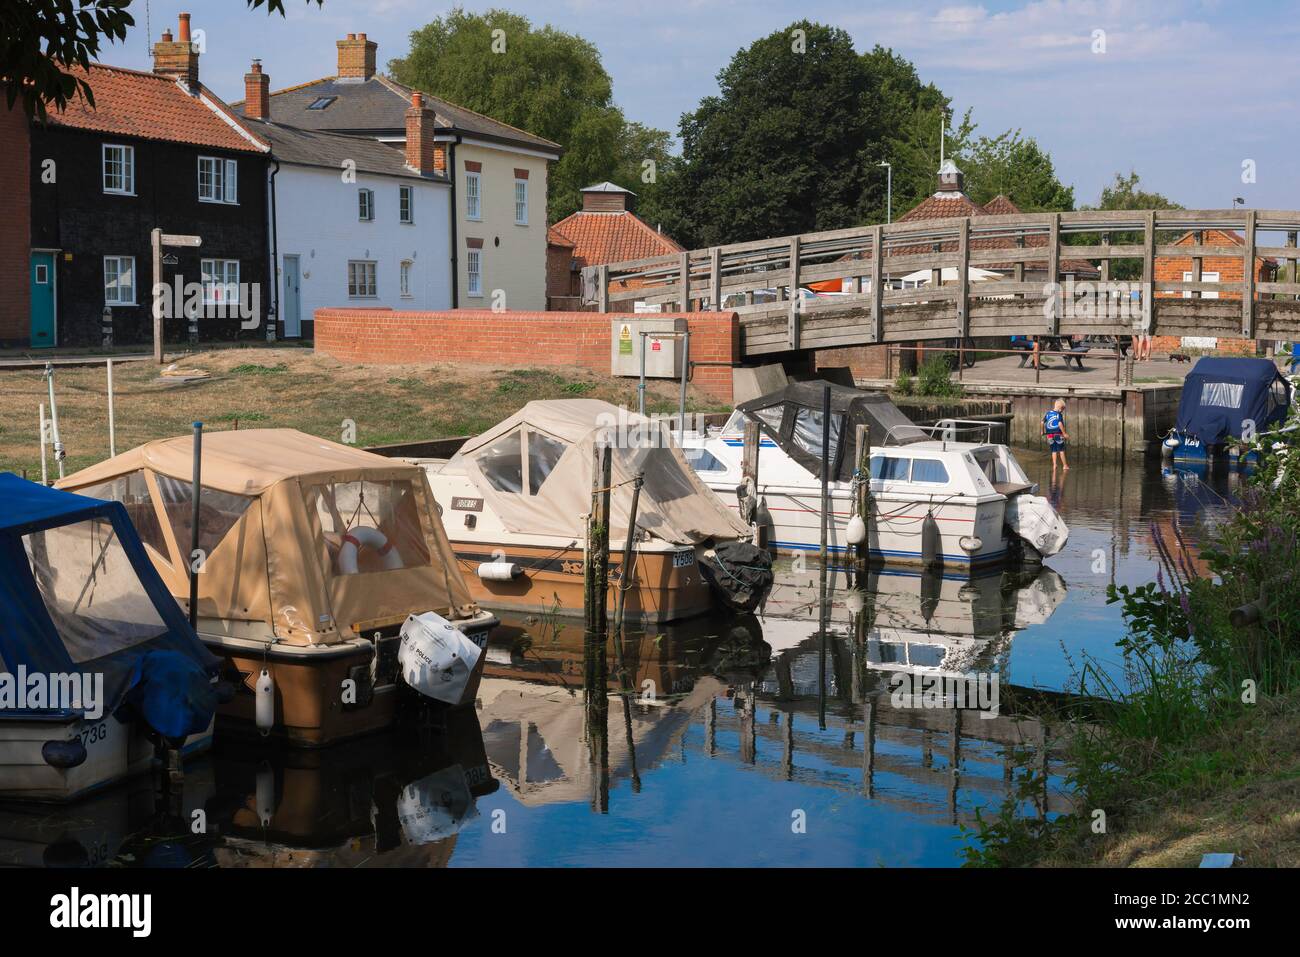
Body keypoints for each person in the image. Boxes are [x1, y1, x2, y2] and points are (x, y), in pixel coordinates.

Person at [1043, 398, 1069, 472]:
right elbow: (1060, 424)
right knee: (1061, 450)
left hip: (1049, 435)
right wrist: (1064, 433)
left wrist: (1042, 431)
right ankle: (1065, 465)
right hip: (1058, 434)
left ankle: (1054, 464)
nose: (1062, 411)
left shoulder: (1048, 413)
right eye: (1062, 410)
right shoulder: (1059, 414)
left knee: (1053, 450)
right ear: (1060, 409)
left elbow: (1042, 422)